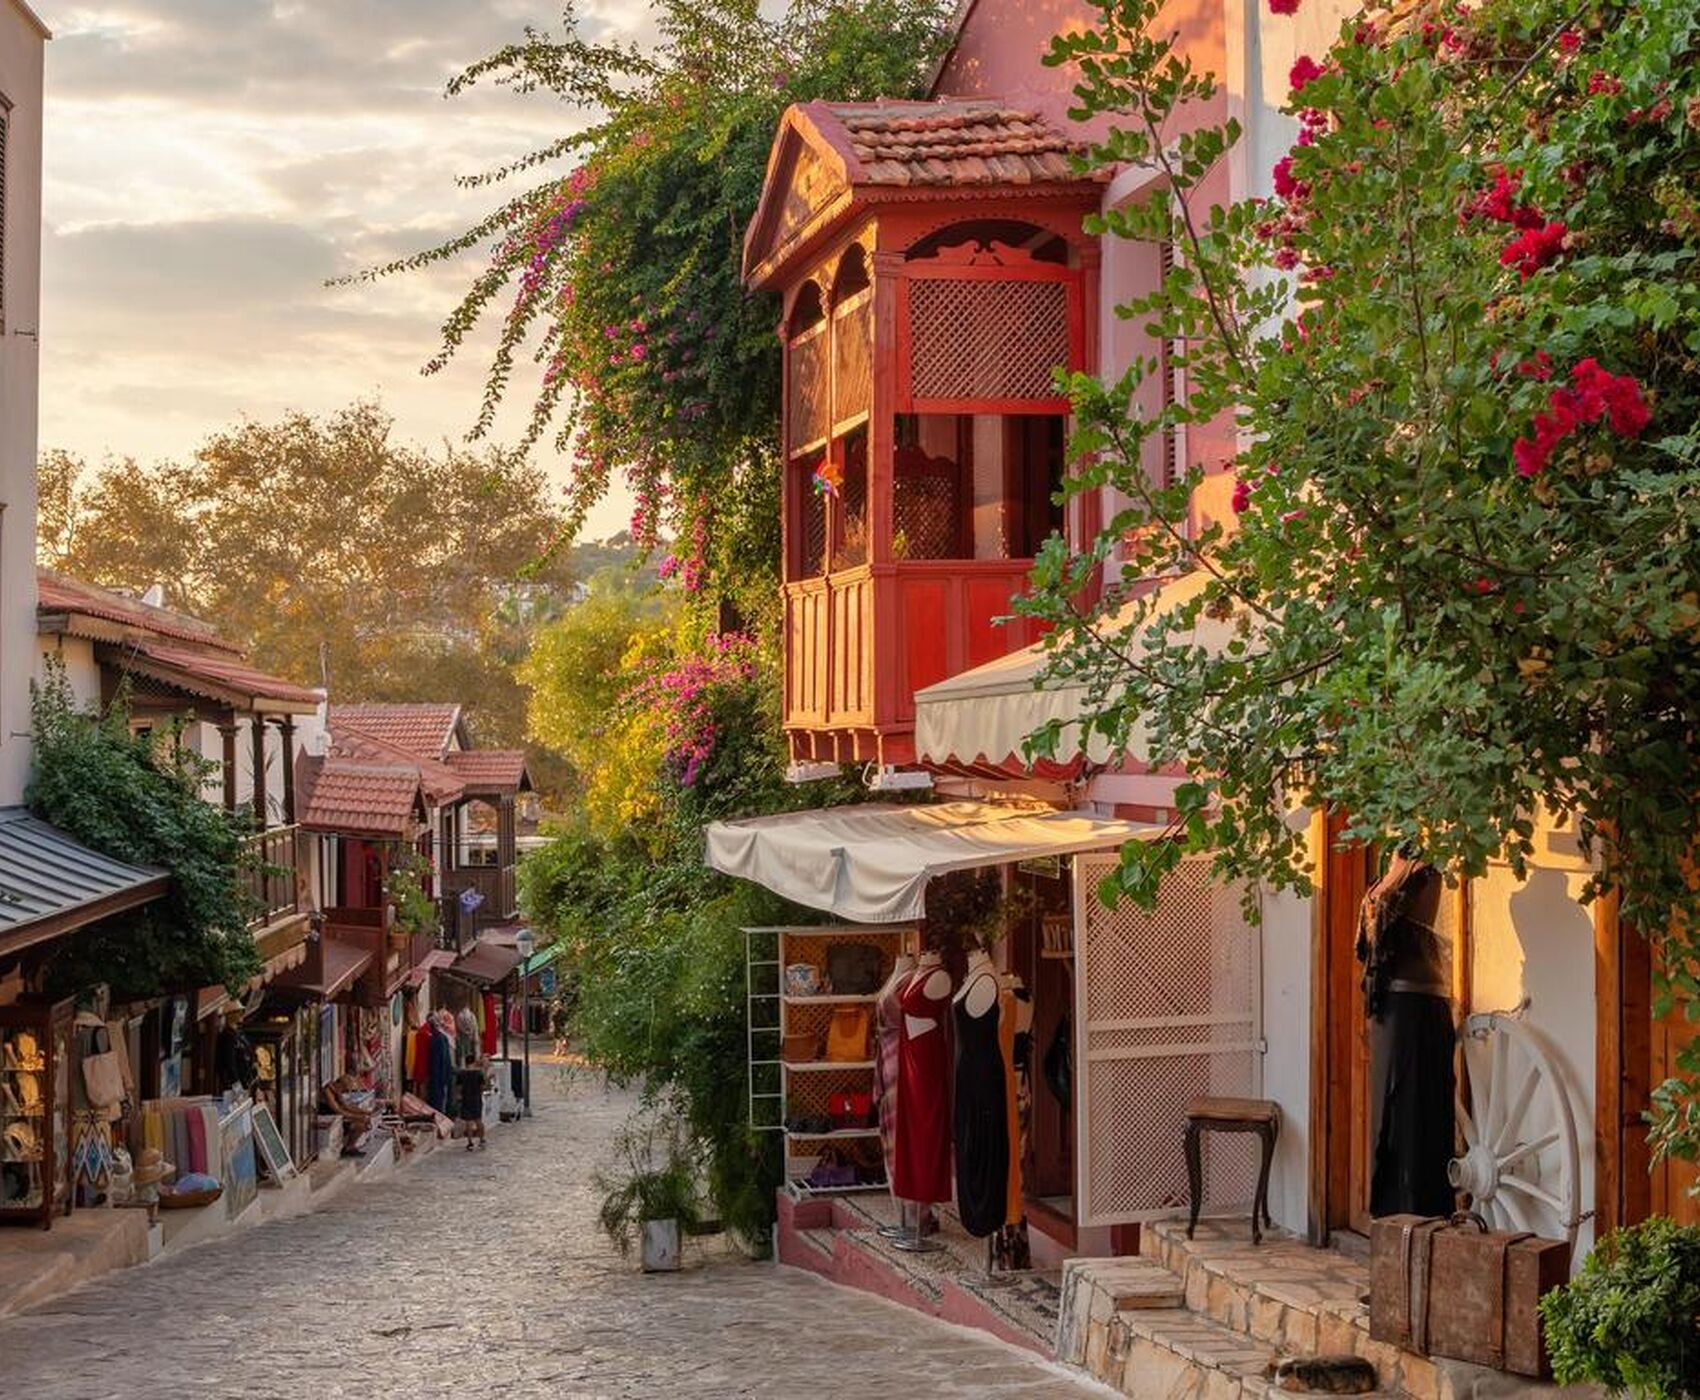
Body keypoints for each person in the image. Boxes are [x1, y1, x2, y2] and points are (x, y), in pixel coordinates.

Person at [455, 1053, 487, 1151]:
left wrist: (459, 1095)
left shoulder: (461, 1073)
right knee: (478, 1120)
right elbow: (483, 1087)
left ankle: (470, 1142)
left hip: (466, 1099)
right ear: (474, 1061)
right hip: (476, 1098)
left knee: (468, 1122)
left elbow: (459, 1087)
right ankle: (481, 1140)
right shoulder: (479, 1073)